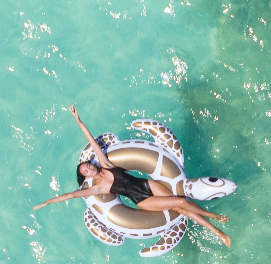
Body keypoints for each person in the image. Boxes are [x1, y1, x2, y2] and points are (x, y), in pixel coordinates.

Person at [33, 105, 231, 247]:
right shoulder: (98, 188)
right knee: (180, 206)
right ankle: (216, 225)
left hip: (147, 185)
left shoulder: (106, 164)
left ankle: (215, 225)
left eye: (88, 166)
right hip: (141, 200)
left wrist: (78, 120)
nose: (89, 169)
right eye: (86, 171)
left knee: (181, 203)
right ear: (86, 177)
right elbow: (70, 195)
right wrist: (48, 202)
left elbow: (91, 140)